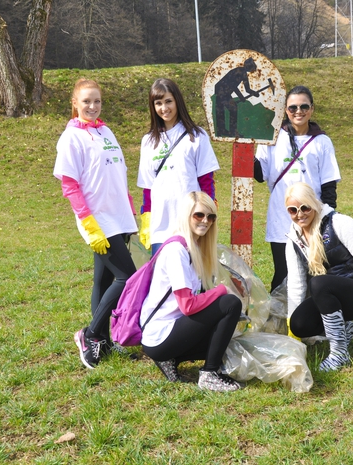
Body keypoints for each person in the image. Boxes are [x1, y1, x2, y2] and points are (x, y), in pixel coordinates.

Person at [53, 78, 138, 369]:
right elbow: (70, 184)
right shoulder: (71, 138)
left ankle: (103, 340)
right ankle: (89, 335)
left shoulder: (105, 131)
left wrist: (129, 209)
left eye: (97, 101)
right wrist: (88, 223)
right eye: (86, 101)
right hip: (98, 219)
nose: (92, 106)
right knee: (127, 277)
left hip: (119, 217)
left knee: (103, 281)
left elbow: (118, 174)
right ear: (75, 102)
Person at [141, 192, 243, 392]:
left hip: (170, 330)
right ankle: (209, 375)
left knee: (225, 339)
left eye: (210, 217)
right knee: (230, 304)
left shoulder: (193, 247)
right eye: (199, 215)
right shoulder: (176, 251)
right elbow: (188, 306)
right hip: (159, 336)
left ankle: (171, 359)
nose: (205, 221)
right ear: (186, 215)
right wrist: (223, 290)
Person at [284, 183, 353, 372]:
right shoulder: (294, 238)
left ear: (314, 204)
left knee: (319, 283)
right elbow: (296, 283)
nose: (300, 214)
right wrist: (292, 334)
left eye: (304, 207)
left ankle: (339, 353)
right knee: (300, 324)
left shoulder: (340, 223)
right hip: (329, 295)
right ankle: (345, 328)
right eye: (292, 210)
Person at [254, 85, 342, 293]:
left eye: (304, 106)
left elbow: (328, 186)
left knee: (314, 272)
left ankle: (314, 319)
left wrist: (326, 222)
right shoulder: (271, 138)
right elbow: (259, 174)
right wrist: (244, 145)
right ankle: (281, 320)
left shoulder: (322, 141)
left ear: (311, 109)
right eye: (292, 108)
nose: (298, 112)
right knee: (283, 272)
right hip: (281, 216)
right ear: (285, 110)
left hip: (311, 218)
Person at [138, 78, 220, 256]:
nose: (164, 108)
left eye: (168, 101)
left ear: (177, 101)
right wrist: (147, 218)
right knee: (163, 280)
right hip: (160, 225)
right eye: (158, 103)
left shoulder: (197, 136)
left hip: (191, 222)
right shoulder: (148, 141)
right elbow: (147, 187)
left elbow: (206, 181)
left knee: (193, 279)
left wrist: (205, 214)